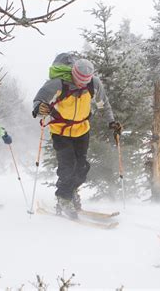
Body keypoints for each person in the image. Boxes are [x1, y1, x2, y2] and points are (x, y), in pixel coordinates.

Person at [32, 53, 121, 219]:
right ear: (73, 73)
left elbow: (103, 104)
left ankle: (71, 192)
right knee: (68, 166)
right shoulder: (58, 83)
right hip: (61, 131)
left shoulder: (93, 84)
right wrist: (39, 109)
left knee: (82, 167)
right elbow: (39, 100)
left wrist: (112, 122)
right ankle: (63, 199)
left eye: (85, 81)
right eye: (79, 80)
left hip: (82, 129)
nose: (82, 84)